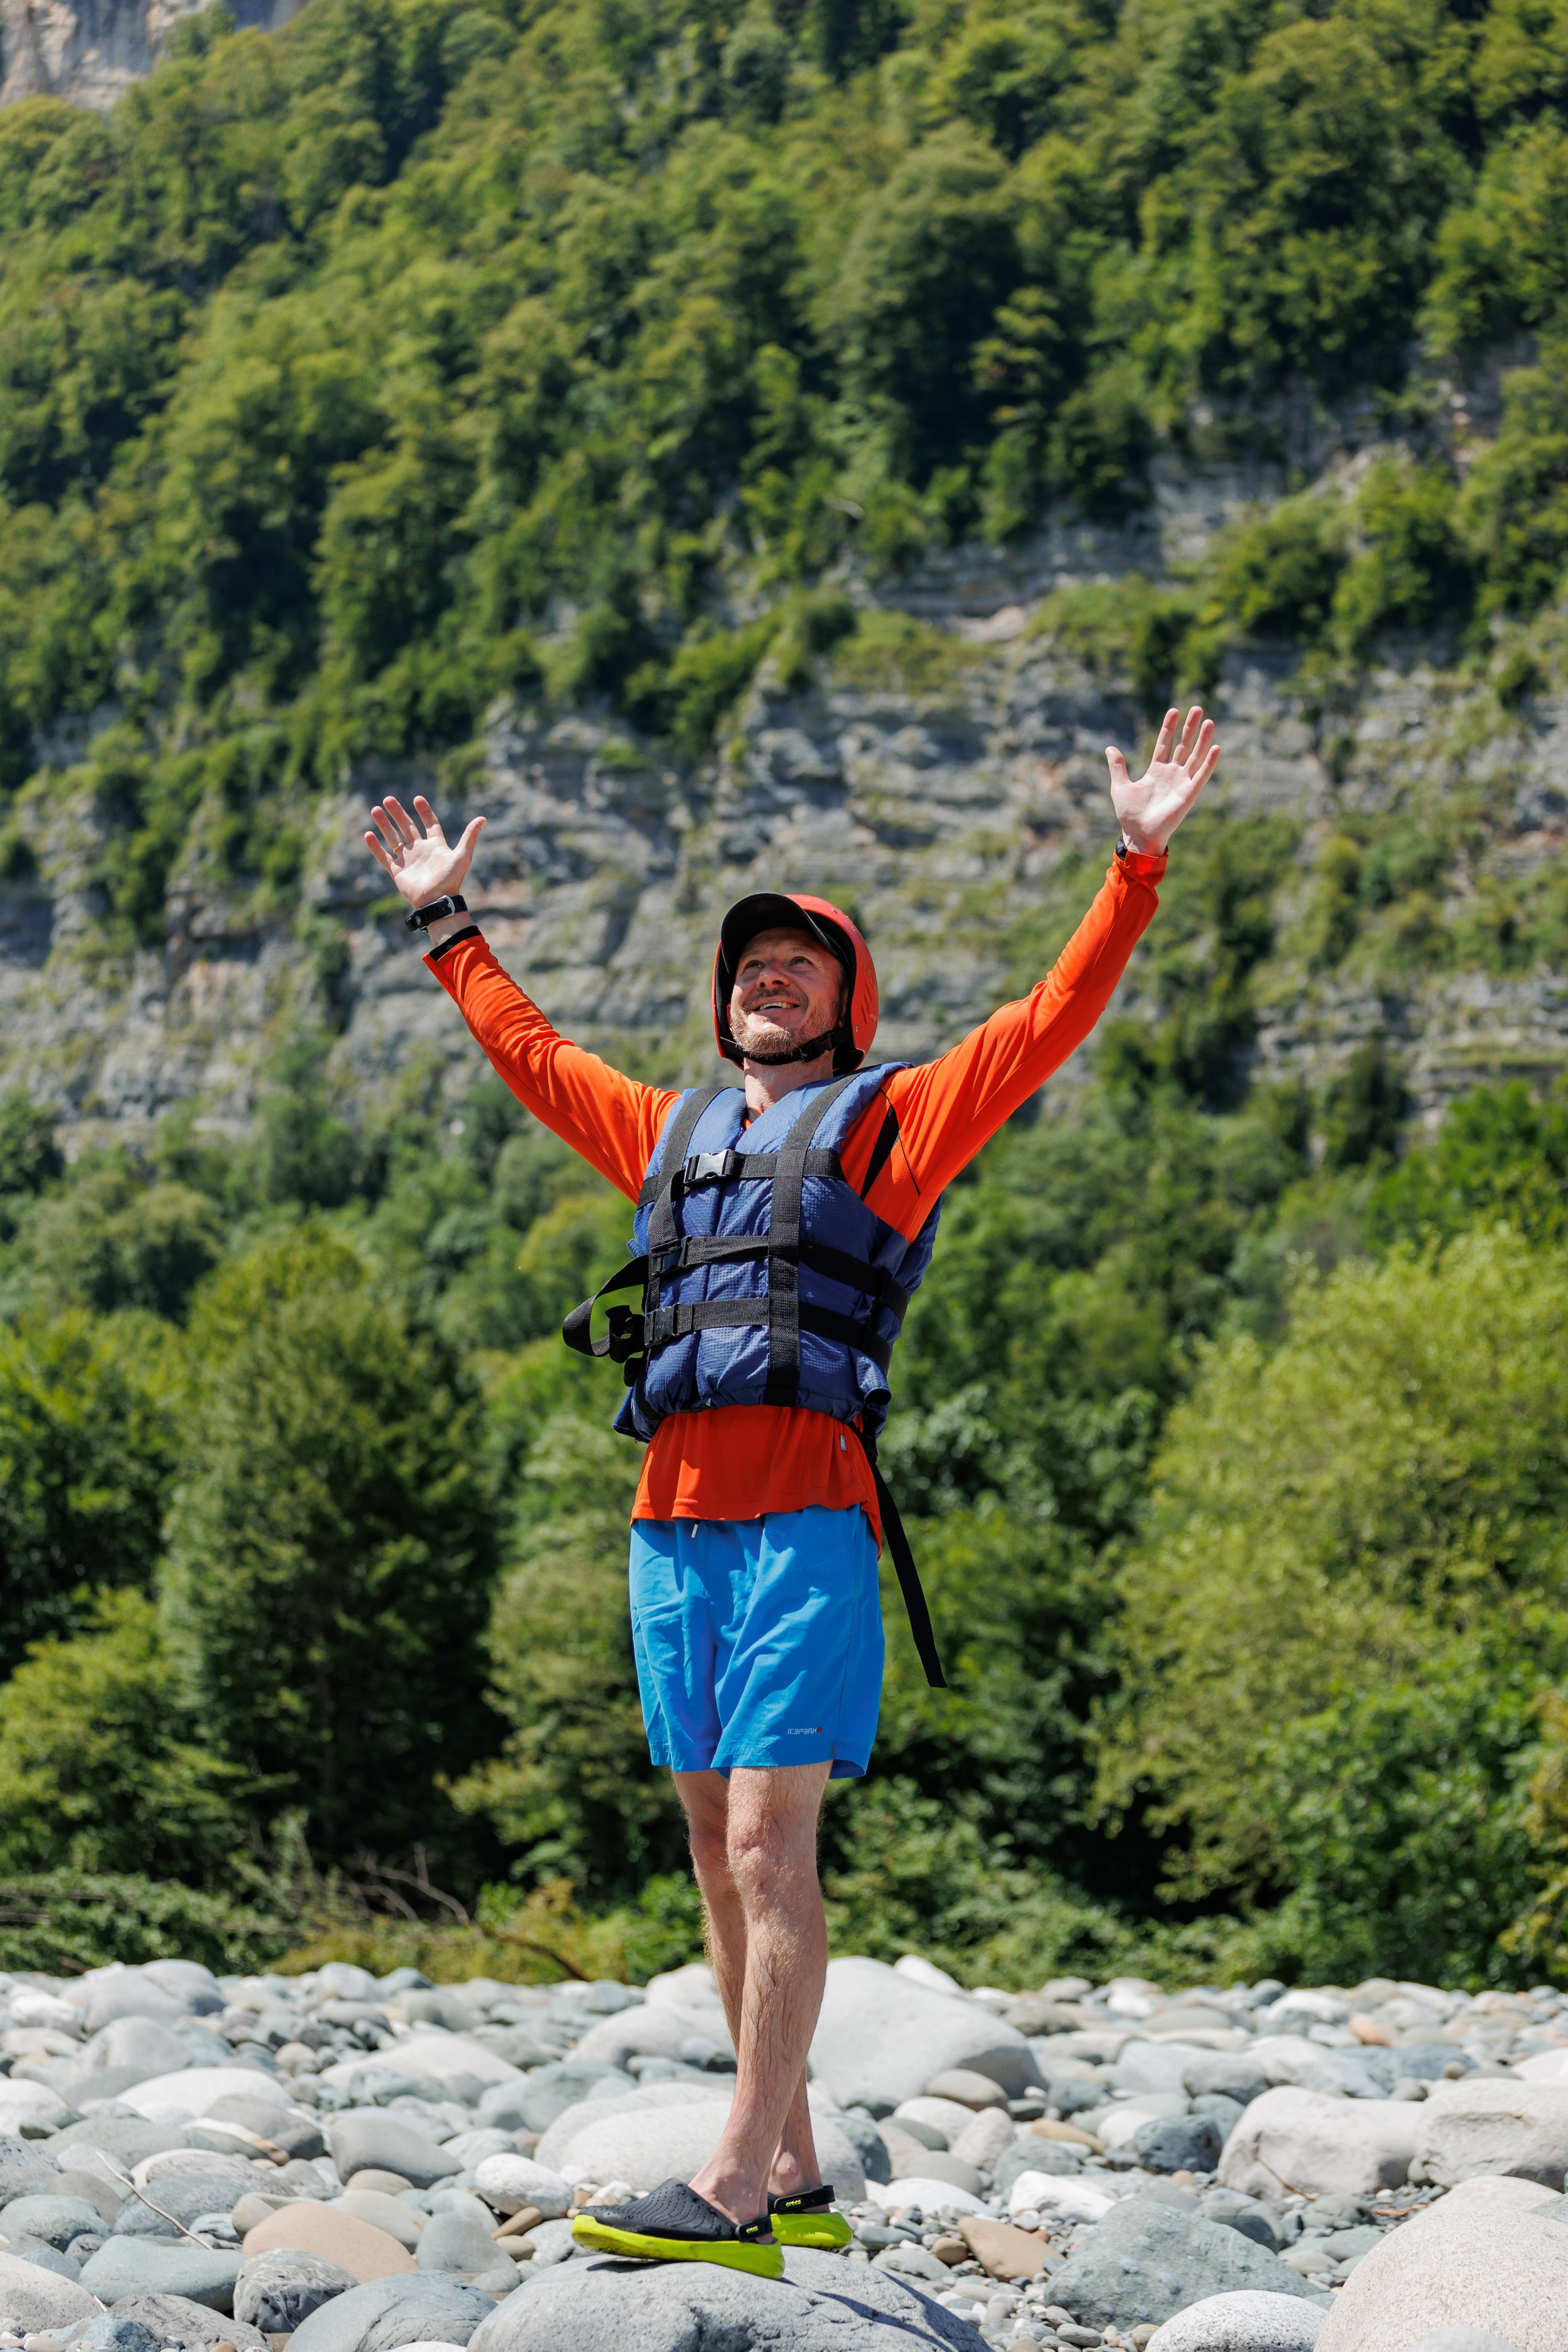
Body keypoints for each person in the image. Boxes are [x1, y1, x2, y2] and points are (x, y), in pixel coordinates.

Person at [363, 703, 1219, 2278]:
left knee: (770, 1850)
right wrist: (444, 918)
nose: (768, 977)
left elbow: (1044, 1021)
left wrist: (1134, 863)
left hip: (806, 1528)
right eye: (749, 964)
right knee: (710, 1846)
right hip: (667, 1534)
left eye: (800, 965)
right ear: (723, 1002)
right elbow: (528, 1052)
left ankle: (738, 2186)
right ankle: (802, 2164)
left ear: (844, 1003)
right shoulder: (667, 1136)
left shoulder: (891, 1126)